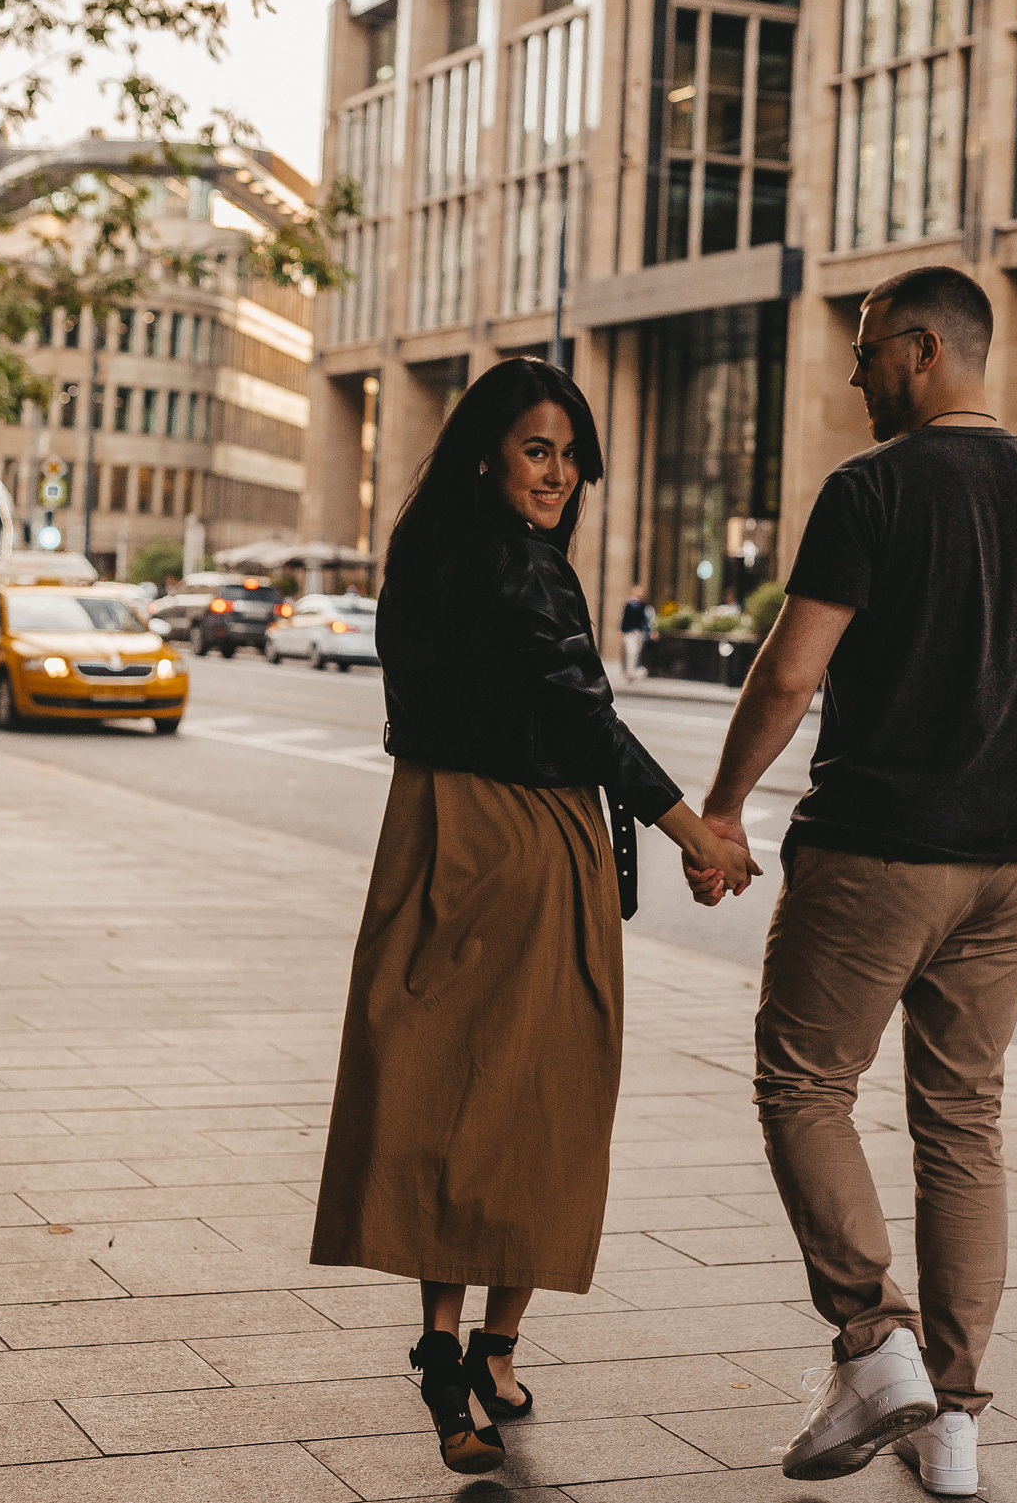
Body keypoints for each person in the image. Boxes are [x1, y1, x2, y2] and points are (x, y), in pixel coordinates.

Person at [686, 266, 1017, 1493]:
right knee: (961, 1125)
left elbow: (786, 673)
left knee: (802, 1081)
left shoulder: (871, 487)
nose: (854, 372)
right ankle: (955, 1420)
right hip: (1011, 861)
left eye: (867, 350)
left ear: (923, 349)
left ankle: (877, 1340)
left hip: (877, 847)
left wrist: (721, 806)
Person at [311, 357, 755, 1478]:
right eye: (536, 450)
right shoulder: (527, 570)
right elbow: (578, 709)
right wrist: (691, 828)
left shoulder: (417, 554)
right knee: (545, 1091)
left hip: (426, 832)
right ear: (486, 454)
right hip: (524, 839)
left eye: (567, 453)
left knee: (441, 1088)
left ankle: (457, 1348)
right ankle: (483, 1347)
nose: (557, 473)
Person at [620, 583, 652, 682]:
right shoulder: (629, 604)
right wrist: (622, 630)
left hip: (638, 632)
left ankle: (632, 671)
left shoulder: (642, 604)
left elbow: (644, 619)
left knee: (636, 652)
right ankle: (629, 672)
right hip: (629, 631)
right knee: (631, 651)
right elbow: (624, 618)